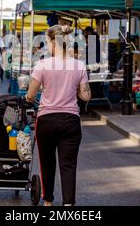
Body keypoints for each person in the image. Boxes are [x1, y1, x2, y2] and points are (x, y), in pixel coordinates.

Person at [25, 25, 91, 206]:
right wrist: (73, 86)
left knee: (47, 163)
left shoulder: (42, 65)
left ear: (54, 43)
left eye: (47, 42)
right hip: (70, 121)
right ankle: (68, 205)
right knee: (68, 165)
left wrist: (28, 98)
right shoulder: (79, 65)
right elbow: (85, 95)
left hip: (47, 120)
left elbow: (31, 96)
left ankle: (48, 201)